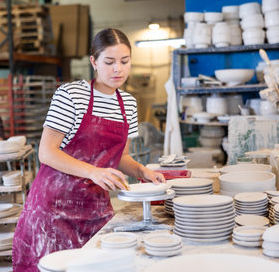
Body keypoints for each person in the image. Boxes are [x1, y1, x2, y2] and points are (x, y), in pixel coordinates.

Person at [12, 28, 165, 271]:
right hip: (54, 209)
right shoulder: (71, 95)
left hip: (95, 207)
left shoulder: (129, 104)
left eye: (124, 62)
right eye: (109, 62)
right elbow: (47, 152)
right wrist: (94, 172)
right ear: (94, 62)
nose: (118, 69)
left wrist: (142, 171)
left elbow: (121, 156)